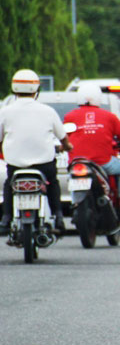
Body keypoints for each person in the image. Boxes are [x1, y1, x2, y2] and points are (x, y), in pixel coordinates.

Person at [0, 69, 72, 233]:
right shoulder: (48, 111)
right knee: (52, 183)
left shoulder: (5, 111)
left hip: (16, 165)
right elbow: (63, 138)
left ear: (13, 89)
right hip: (44, 165)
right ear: (37, 90)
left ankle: (6, 218)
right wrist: (67, 147)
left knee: (9, 184)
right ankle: (59, 216)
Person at [64, 83, 120, 221]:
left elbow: (64, 136)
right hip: (103, 162)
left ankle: (76, 205)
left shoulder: (70, 116)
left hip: (77, 162)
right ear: (98, 98)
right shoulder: (109, 116)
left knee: (73, 177)